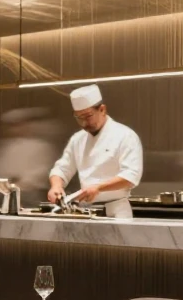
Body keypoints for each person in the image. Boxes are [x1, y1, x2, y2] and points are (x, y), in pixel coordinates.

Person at [46, 84, 144, 219]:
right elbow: (62, 169)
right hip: (85, 211)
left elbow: (130, 176)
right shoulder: (77, 139)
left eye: (88, 116)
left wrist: (98, 188)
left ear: (102, 109)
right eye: (79, 118)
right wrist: (56, 187)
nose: (84, 123)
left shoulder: (125, 135)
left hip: (116, 211)